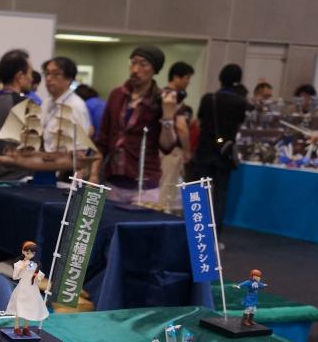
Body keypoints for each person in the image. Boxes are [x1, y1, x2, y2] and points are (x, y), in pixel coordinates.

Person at [93, 45, 178, 204]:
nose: (135, 69)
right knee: (108, 220)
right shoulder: (117, 95)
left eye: (143, 64)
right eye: (133, 63)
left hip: (145, 185)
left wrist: (168, 115)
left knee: (139, 220)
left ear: (154, 70)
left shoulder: (161, 99)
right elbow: (102, 139)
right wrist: (93, 174)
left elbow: (167, 147)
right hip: (113, 180)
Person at [190, 63, 251, 236]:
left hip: (204, 151)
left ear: (220, 78)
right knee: (220, 195)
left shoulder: (208, 99)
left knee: (198, 192)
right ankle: (214, 236)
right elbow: (239, 124)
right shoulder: (240, 103)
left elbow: (200, 122)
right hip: (224, 153)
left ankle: (196, 233)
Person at [158, 61, 195, 211]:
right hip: (172, 148)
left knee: (161, 184)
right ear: (176, 77)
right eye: (187, 78)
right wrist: (187, 150)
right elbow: (181, 127)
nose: (188, 82)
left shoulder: (160, 94)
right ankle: (162, 217)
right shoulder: (173, 98)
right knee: (167, 188)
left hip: (159, 147)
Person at [40, 56, 91, 150]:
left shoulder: (76, 106)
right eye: (47, 73)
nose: (48, 78)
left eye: (56, 74)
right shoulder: (46, 102)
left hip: (64, 158)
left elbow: (80, 147)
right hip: (44, 156)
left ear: (69, 79)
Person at [5, 240, 48, 335]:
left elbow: (35, 274)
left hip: (32, 288)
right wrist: (22, 267)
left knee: (29, 307)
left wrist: (38, 276)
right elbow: (15, 277)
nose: (30, 255)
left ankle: (26, 327)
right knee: (19, 307)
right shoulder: (19, 264)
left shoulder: (33, 264)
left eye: (32, 253)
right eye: (28, 253)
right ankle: (16, 327)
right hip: (22, 288)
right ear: (23, 252)